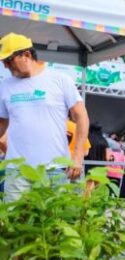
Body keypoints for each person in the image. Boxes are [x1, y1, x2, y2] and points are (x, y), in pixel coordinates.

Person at [0, 33, 89, 202]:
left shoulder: (59, 79)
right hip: (18, 171)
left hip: (55, 169)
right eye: (3, 62)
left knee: (57, 223)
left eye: (8, 60)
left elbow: (81, 116)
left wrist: (77, 156)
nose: (5, 66)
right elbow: (2, 123)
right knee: (15, 224)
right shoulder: (5, 86)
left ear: (26, 55)